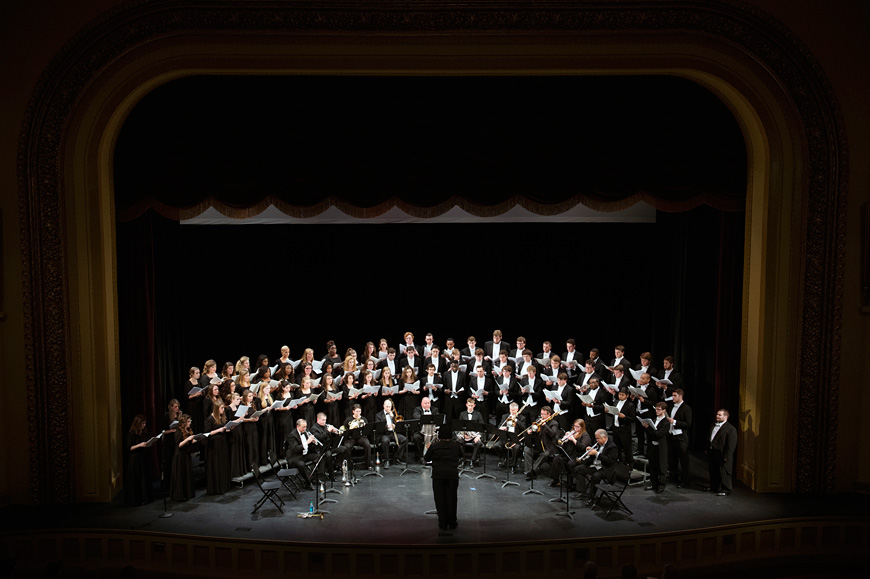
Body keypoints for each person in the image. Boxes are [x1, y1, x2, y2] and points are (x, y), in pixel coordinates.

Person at [424, 423, 463, 536]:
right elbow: (461, 455)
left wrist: (428, 449)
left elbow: (426, 458)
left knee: (440, 499)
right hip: (452, 475)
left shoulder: (435, 446)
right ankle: (452, 522)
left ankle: (442, 523)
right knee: (452, 498)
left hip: (438, 476)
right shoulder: (455, 445)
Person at [574, 428, 619, 507]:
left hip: (605, 468)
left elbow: (609, 461)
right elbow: (593, 456)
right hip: (595, 466)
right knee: (578, 469)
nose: (597, 440)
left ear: (604, 438)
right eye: (596, 438)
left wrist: (597, 453)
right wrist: (589, 452)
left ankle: (591, 498)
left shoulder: (612, 447)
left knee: (595, 476)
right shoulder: (598, 443)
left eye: (598, 438)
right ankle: (582, 491)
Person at [705, 408, 737, 495]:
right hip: (713, 451)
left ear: (725, 416)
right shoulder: (713, 425)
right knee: (713, 470)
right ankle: (714, 486)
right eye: (717, 414)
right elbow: (710, 437)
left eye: (720, 415)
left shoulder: (730, 429)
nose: (717, 416)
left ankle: (726, 489)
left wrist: (727, 456)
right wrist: (707, 448)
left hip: (722, 453)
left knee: (724, 471)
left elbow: (731, 445)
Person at [124, 415, 154, 506]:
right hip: (135, 459)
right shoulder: (132, 433)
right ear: (137, 424)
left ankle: (145, 498)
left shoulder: (144, 432)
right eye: (142, 423)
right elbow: (129, 447)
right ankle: (137, 499)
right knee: (137, 478)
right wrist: (140, 445)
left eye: (145, 423)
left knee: (144, 478)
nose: (144, 425)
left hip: (143, 458)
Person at [666, 388, 693, 487]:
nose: (672, 397)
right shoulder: (671, 407)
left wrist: (675, 422)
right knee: (672, 459)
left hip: (681, 437)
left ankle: (685, 481)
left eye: (674, 396)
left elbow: (688, 424)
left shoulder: (686, 408)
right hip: (671, 436)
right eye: (672, 395)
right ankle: (673, 478)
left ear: (680, 396)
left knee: (684, 460)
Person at [643, 401, 670, 493]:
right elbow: (651, 434)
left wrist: (648, 428)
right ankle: (654, 483)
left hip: (661, 447)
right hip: (652, 446)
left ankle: (661, 485)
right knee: (652, 465)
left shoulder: (666, 422)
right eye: (656, 409)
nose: (656, 411)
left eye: (659, 410)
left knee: (661, 466)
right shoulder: (654, 420)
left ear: (664, 410)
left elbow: (659, 434)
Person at [170, 414, 198, 501]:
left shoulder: (188, 430)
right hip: (180, 456)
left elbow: (190, 441)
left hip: (186, 454)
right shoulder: (179, 431)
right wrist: (188, 439)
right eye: (188, 421)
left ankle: (188, 493)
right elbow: (179, 444)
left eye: (190, 421)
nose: (190, 423)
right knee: (181, 474)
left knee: (187, 473)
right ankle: (180, 495)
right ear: (184, 422)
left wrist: (197, 439)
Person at [285, 418, 318, 490]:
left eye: (305, 426)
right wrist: (307, 442)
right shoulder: (292, 435)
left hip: (304, 454)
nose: (305, 428)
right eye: (303, 427)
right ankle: (308, 483)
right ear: (298, 426)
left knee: (319, 456)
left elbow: (308, 445)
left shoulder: (305, 432)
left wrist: (313, 442)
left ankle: (312, 478)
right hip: (294, 457)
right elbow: (296, 448)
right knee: (301, 464)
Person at [375, 398, 407, 468]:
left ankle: (396, 458)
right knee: (385, 441)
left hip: (392, 433)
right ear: (383, 406)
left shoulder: (393, 414)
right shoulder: (378, 415)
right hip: (384, 433)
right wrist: (387, 426)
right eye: (387, 407)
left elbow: (399, 424)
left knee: (404, 439)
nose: (388, 408)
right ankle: (387, 460)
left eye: (389, 407)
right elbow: (378, 427)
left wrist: (393, 420)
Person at [341, 404, 372, 470]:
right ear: (353, 411)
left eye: (359, 411)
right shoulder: (348, 419)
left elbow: (367, 430)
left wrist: (364, 425)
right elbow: (344, 429)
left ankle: (368, 464)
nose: (358, 413)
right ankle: (349, 465)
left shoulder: (363, 419)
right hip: (351, 438)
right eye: (357, 411)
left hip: (361, 437)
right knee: (347, 446)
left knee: (367, 445)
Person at [455, 398, 484, 465]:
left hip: (474, 435)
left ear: (474, 405)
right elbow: (460, 426)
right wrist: (464, 434)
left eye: (471, 405)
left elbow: (482, 427)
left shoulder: (478, 414)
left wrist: (478, 436)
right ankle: (463, 458)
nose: (470, 407)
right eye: (469, 405)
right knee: (457, 440)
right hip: (465, 434)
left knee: (479, 443)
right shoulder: (462, 414)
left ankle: (473, 460)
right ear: (466, 405)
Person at [411, 396, 440, 462]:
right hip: (421, 431)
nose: (427, 405)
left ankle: (435, 456)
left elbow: (438, 419)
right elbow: (416, 416)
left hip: (432, 431)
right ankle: (421, 456)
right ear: (422, 404)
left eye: (428, 403)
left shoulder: (435, 409)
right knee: (416, 438)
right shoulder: (417, 409)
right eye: (425, 403)